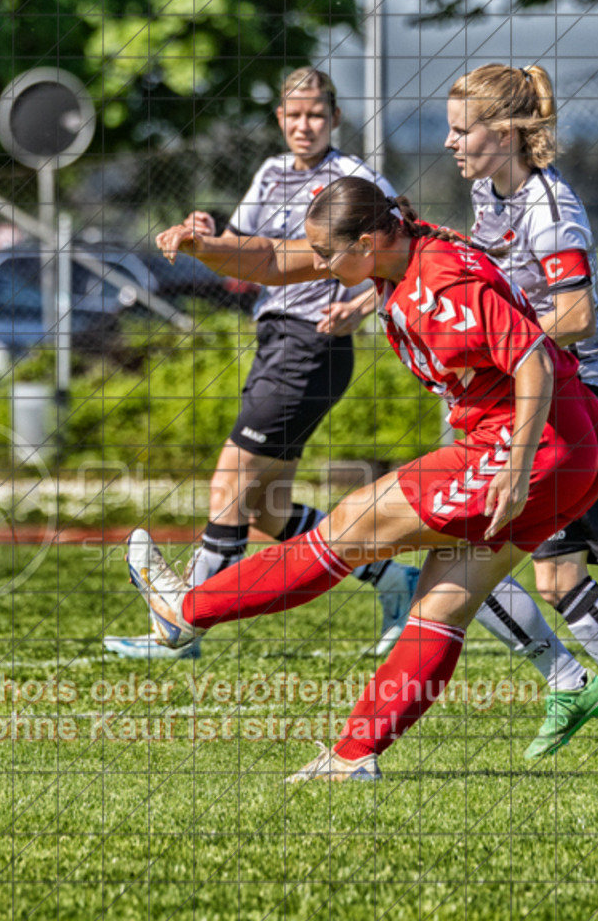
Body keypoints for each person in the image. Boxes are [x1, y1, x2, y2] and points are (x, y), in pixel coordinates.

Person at [125, 177, 598, 782]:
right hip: (571, 446)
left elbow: (533, 359)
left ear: (369, 242)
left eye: (329, 254)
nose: (321, 264)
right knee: (443, 605)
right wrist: (203, 248)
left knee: (350, 525)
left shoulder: (439, 283)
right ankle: (354, 756)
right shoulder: (394, 254)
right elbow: (273, 260)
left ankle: (187, 610)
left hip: (529, 445)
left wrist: (516, 464)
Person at [103, 66, 419, 662]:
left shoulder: (354, 178)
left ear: (335, 118)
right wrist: (205, 234)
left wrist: (359, 307)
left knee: (230, 483)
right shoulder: (272, 173)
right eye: (294, 115)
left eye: (316, 114)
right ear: (279, 118)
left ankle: (181, 625)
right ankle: (393, 581)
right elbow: (247, 248)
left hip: (313, 346)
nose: (305, 125)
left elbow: (405, 253)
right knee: (270, 510)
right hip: (275, 342)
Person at [444, 63, 598, 758]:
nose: (450, 143)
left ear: (503, 135)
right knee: (545, 572)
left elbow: (577, 315)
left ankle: (569, 680)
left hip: (580, 404)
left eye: (461, 131)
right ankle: (570, 682)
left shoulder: (549, 209)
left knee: (477, 556)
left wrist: (501, 344)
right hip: (533, 404)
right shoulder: (489, 190)